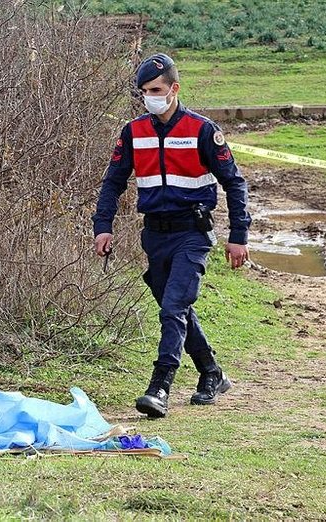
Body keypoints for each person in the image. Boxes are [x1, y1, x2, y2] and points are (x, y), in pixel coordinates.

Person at [92, 53, 251, 418]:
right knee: (174, 309)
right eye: (144, 91)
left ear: (174, 88)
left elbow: (234, 183)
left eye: (156, 90)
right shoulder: (133, 132)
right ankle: (211, 372)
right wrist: (103, 226)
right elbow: (113, 183)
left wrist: (239, 234)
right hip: (155, 235)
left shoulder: (203, 130)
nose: (149, 97)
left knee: (173, 308)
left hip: (193, 233)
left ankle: (160, 386)